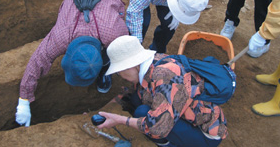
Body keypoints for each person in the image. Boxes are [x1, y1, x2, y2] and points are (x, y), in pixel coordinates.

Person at [15, 0, 129, 127]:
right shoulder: (61, 36)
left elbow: (122, 19)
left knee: (108, 56)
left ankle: (104, 71)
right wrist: (24, 99)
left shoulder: (114, 34)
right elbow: (37, 61)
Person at [97, 35, 228, 147]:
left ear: (132, 66)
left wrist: (120, 120)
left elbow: (157, 128)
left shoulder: (166, 77)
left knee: (143, 113)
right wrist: (107, 105)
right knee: (137, 99)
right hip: (190, 113)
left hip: (205, 131)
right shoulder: (155, 62)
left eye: (119, 71)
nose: (121, 76)